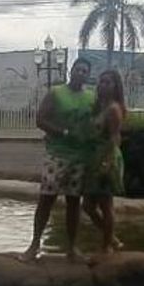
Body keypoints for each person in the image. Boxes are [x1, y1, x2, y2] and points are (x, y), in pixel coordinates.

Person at [22, 58, 95, 260]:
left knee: (74, 202)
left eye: (85, 71)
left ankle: (72, 248)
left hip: (79, 157)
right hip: (57, 155)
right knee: (46, 200)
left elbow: (96, 123)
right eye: (78, 69)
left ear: (88, 74)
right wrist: (62, 132)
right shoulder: (56, 93)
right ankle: (34, 245)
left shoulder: (90, 98)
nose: (81, 73)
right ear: (71, 71)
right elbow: (40, 119)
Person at [82, 69, 127, 254]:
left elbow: (115, 137)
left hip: (106, 158)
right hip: (94, 158)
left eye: (108, 82)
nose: (103, 85)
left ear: (116, 86)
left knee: (105, 204)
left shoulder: (113, 109)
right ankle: (113, 239)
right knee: (87, 206)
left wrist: (107, 162)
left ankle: (107, 245)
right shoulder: (99, 106)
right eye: (101, 81)